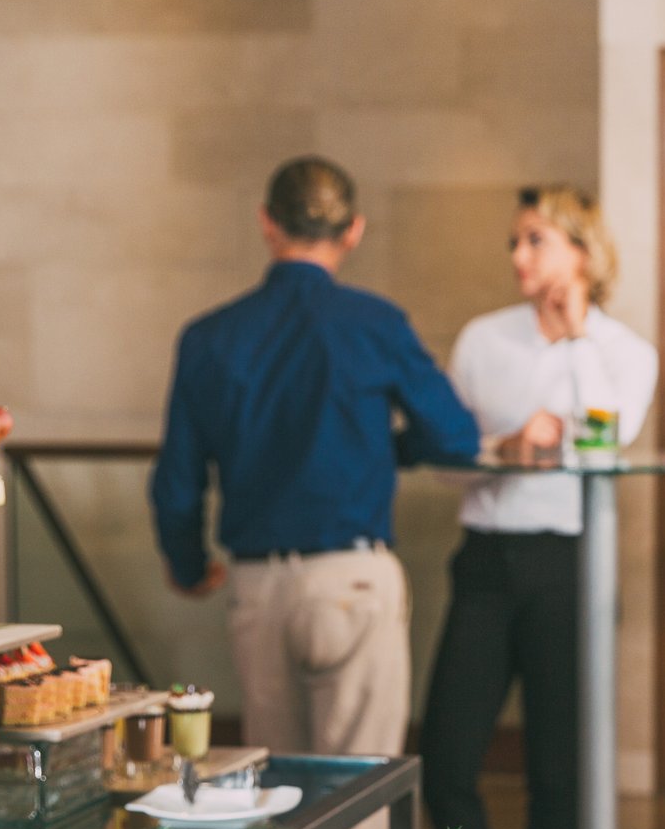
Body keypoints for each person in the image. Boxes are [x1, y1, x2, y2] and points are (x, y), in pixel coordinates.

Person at [151, 156, 482, 757]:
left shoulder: (209, 336)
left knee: (277, 795)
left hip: (258, 586)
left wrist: (190, 564)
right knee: (358, 792)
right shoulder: (375, 323)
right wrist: (385, 448)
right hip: (353, 579)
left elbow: (177, 481)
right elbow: (455, 438)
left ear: (266, 223)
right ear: (353, 230)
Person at [418, 186, 657, 829]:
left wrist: (579, 337)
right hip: (487, 564)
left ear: (581, 252)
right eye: (515, 241)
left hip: (571, 567)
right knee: (447, 753)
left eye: (535, 240)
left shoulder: (624, 353)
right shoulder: (483, 338)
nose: (518, 254)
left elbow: (610, 441)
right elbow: (447, 463)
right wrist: (505, 448)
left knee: (560, 766)